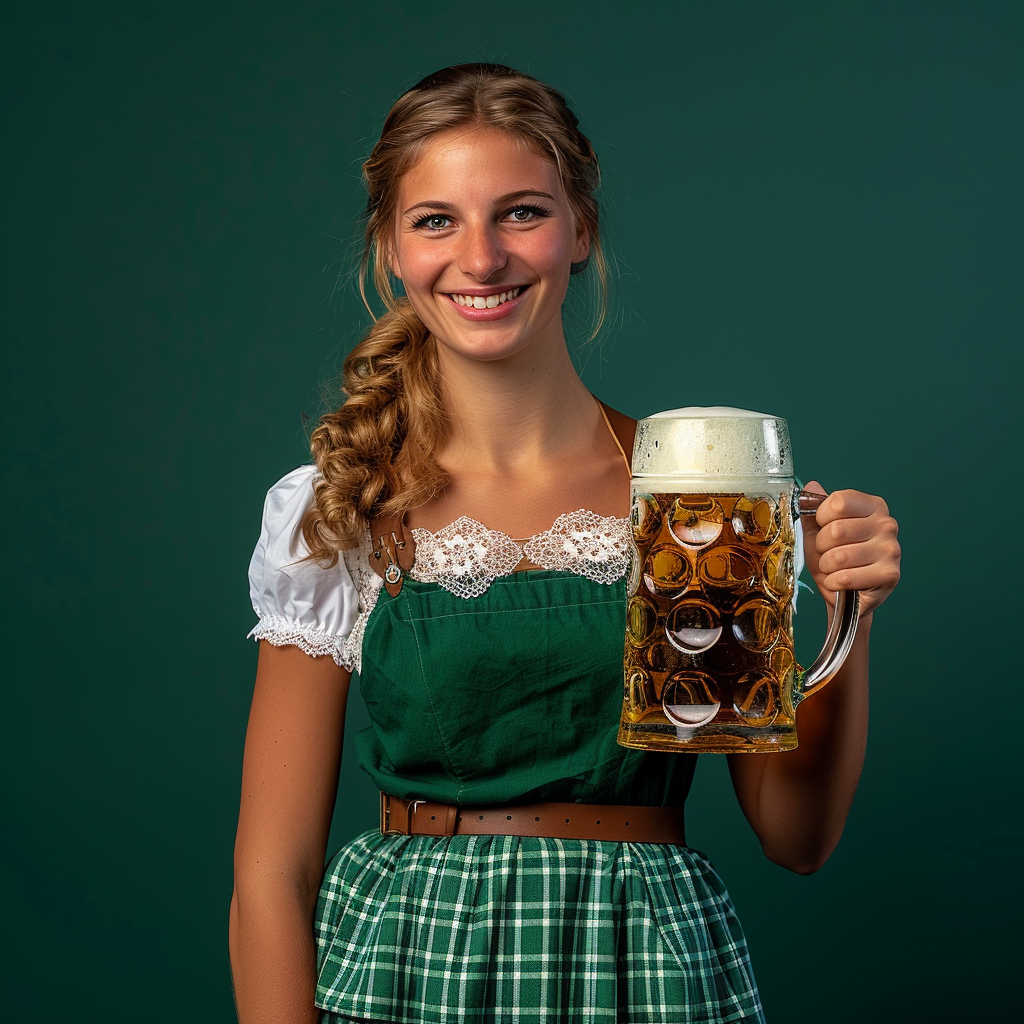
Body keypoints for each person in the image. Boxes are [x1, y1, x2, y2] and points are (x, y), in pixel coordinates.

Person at [229, 63, 901, 1024]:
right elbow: (271, 874)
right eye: (436, 221)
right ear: (390, 246)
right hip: (407, 971)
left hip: (652, 976)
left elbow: (797, 836)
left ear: (580, 229)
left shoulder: (695, 500)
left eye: (521, 213)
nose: (482, 257)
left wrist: (849, 617)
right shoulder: (340, 504)